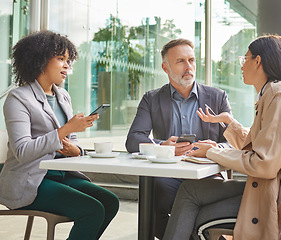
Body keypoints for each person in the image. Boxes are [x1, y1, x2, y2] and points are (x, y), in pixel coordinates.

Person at [162, 34, 281, 240]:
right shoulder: (275, 92)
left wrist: (211, 151)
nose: (241, 65)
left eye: (244, 59)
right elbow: (264, 146)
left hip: (279, 201)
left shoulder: (279, 94)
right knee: (190, 190)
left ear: (258, 61)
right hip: (271, 190)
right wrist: (230, 123)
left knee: (198, 216)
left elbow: (264, 164)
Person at [0, 31, 119, 240]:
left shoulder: (63, 95)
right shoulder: (18, 98)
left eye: (68, 60)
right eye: (60, 59)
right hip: (31, 179)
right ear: (40, 60)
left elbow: (72, 143)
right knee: (92, 209)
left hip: (61, 174)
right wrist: (66, 129)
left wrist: (76, 150)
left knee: (110, 202)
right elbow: (22, 151)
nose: (67, 66)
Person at [125, 38, 232, 239]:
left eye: (191, 60)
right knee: (150, 196)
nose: (188, 67)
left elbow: (233, 143)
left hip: (206, 175)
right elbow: (133, 139)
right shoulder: (152, 98)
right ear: (166, 68)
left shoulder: (217, 97)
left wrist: (215, 147)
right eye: (181, 61)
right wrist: (162, 147)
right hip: (168, 176)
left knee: (192, 203)